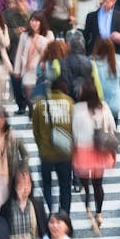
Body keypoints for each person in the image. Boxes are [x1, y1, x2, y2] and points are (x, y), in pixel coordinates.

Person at [72, 82, 117, 234]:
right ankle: (99, 213)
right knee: (98, 185)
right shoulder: (103, 106)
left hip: (83, 152)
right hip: (100, 151)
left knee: (85, 186)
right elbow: (112, 127)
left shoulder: (77, 109)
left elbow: (73, 131)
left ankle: (88, 210)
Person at [31, 78, 76, 213]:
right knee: (65, 186)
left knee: (47, 184)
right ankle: (64, 213)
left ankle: (50, 211)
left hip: (46, 153)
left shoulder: (40, 104)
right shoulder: (69, 103)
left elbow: (36, 130)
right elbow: (74, 128)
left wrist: (41, 146)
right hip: (64, 153)